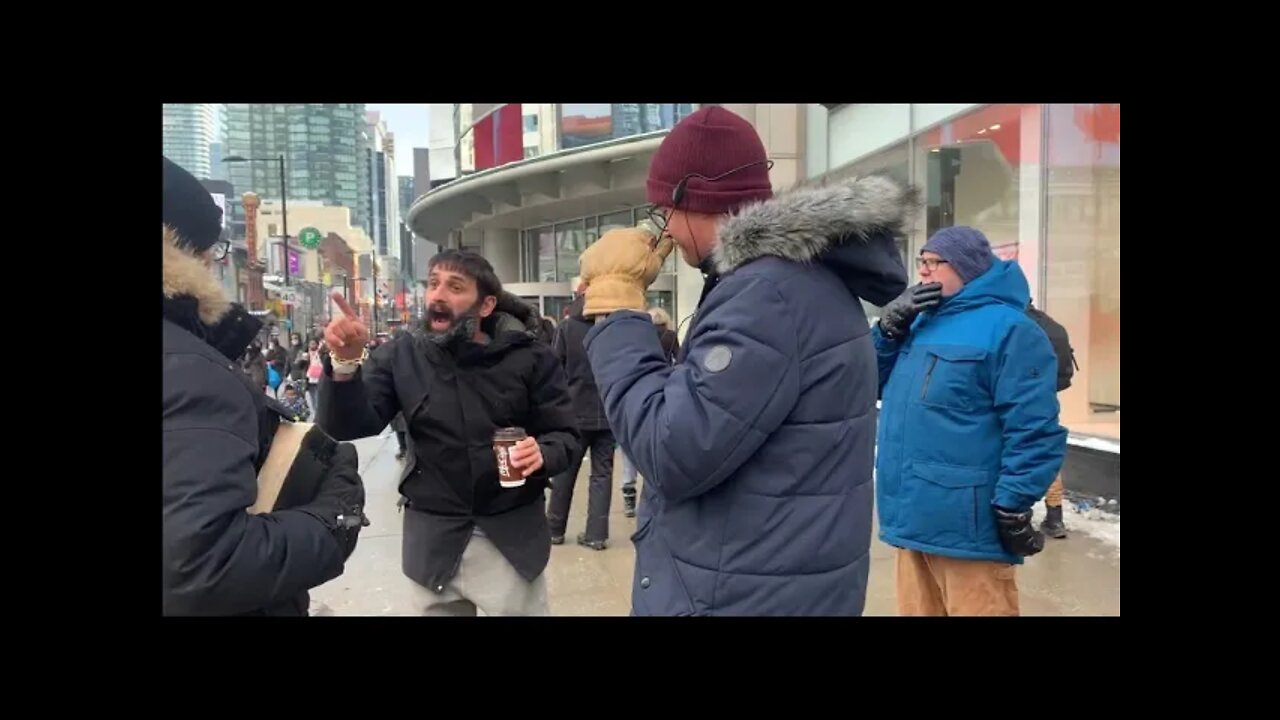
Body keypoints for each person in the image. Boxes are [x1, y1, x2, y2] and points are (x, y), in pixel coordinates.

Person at [577, 106, 910, 615]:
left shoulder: (765, 297)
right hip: (771, 582)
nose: (664, 229)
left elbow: (672, 452)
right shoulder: (795, 280)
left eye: (662, 211)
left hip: (743, 595)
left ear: (686, 198)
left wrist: (620, 311)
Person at [319, 250, 580, 616]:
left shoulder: (531, 357)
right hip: (434, 542)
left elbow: (565, 434)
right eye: (434, 284)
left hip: (511, 540)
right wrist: (345, 365)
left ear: (486, 305)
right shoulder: (402, 354)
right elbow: (346, 426)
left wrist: (543, 453)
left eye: (455, 287)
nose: (438, 295)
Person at [162, 156, 368, 616]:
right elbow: (201, 566)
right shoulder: (190, 370)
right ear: (185, 257)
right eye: (210, 254)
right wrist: (334, 514)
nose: (216, 269)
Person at [873, 225, 1067, 616]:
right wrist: (888, 330)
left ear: (967, 267)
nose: (923, 272)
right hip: (911, 519)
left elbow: (1035, 430)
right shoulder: (920, 322)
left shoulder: (1010, 329)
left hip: (968, 529)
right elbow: (866, 383)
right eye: (921, 262)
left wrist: (1013, 503)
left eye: (934, 263)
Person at [547, 283, 617, 550]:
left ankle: (554, 528)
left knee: (565, 471)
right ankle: (596, 534)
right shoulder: (611, 328)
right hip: (607, 411)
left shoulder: (567, 328)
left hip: (574, 411)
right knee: (602, 474)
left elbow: (555, 371)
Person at [618, 308, 679, 518]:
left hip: (639, 392)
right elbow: (679, 360)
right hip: (666, 389)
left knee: (630, 445)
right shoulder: (670, 336)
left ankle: (628, 488)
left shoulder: (641, 336)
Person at [1025, 300, 1077, 539]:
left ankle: (1018, 514)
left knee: (1012, 453)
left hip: (1019, 398)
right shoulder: (1052, 325)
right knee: (1046, 454)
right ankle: (1055, 518)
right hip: (1047, 398)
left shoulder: (1016, 325)